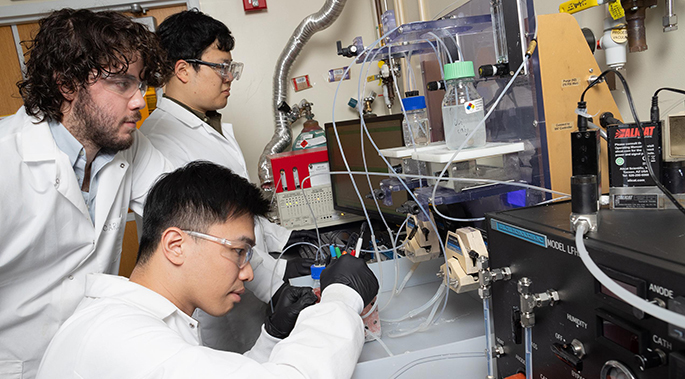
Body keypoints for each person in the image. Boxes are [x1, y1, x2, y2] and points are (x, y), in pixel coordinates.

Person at [36, 161, 379, 378]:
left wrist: (271, 337)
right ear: (176, 245)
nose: (247, 273)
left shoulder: (137, 320)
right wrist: (341, 299)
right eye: (238, 251)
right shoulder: (124, 340)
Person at [0, 8, 171, 378]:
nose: (140, 100)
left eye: (140, 83)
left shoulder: (130, 145)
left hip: (93, 356)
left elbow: (188, 207)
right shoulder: (5, 159)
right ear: (67, 84)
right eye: (122, 83)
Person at [140, 9, 313, 352]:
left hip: (243, 284)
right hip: (217, 308)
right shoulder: (158, 141)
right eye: (221, 66)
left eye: (231, 67)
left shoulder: (209, 125)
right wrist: (278, 279)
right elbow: (211, 232)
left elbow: (240, 215)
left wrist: (291, 238)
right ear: (183, 69)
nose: (229, 76)